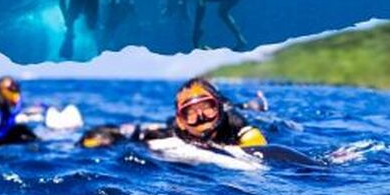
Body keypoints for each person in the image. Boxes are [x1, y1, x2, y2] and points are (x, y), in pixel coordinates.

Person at [79, 78, 267, 149]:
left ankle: (252, 104)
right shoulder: (173, 131)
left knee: (232, 106)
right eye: (190, 113)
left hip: (228, 110)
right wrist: (102, 137)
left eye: (207, 107)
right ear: (181, 120)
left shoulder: (235, 125)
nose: (201, 117)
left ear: (217, 107)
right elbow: (132, 132)